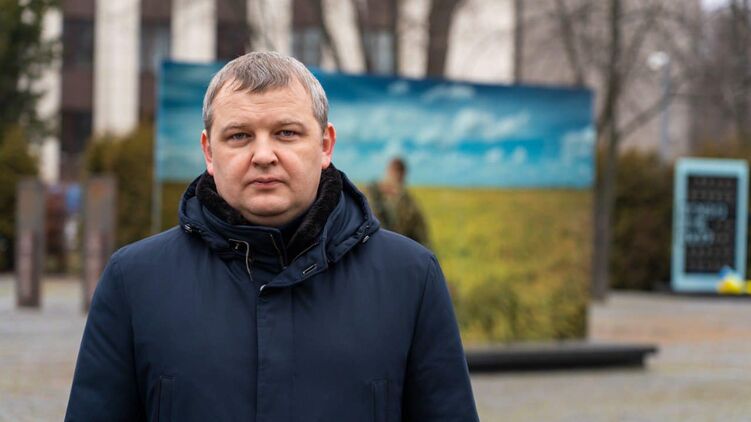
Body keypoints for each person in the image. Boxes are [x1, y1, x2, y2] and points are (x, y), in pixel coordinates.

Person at [65, 51, 478, 421]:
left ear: (325, 145)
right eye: (239, 136)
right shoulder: (134, 281)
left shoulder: (410, 278)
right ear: (209, 152)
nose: (263, 155)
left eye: (286, 133)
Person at [367, 157, 431, 247]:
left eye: (398, 173)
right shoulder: (371, 194)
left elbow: (421, 236)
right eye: (394, 172)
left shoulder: (409, 204)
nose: (396, 177)